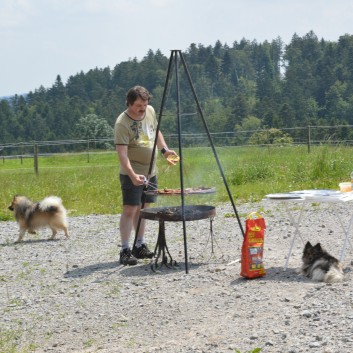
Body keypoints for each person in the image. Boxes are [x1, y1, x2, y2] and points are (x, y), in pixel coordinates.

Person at [114, 85, 178, 265]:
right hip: (131, 172)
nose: (142, 109)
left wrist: (164, 150)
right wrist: (133, 175)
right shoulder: (122, 123)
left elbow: (155, 132)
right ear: (129, 103)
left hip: (151, 171)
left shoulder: (150, 111)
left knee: (144, 208)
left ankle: (139, 245)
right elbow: (122, 155)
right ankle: (125, 249)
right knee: (130, 209)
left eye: (145, 104)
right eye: (138, 106)